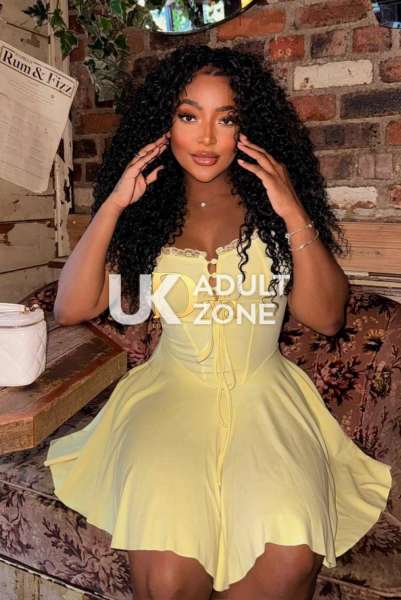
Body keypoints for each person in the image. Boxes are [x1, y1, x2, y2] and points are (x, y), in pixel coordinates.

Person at [44, 44, 393, 600]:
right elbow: (71, 308)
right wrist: (112, 206)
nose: (206, 138)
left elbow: (327, 318)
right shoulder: (145, 210)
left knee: (287, 557)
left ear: (246, 127)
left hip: (266, 394)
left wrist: (291, 208)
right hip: (170, 393)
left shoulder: (275, 207)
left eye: (225, 119)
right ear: (165, 125)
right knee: (168, 577)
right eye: (189, 116)